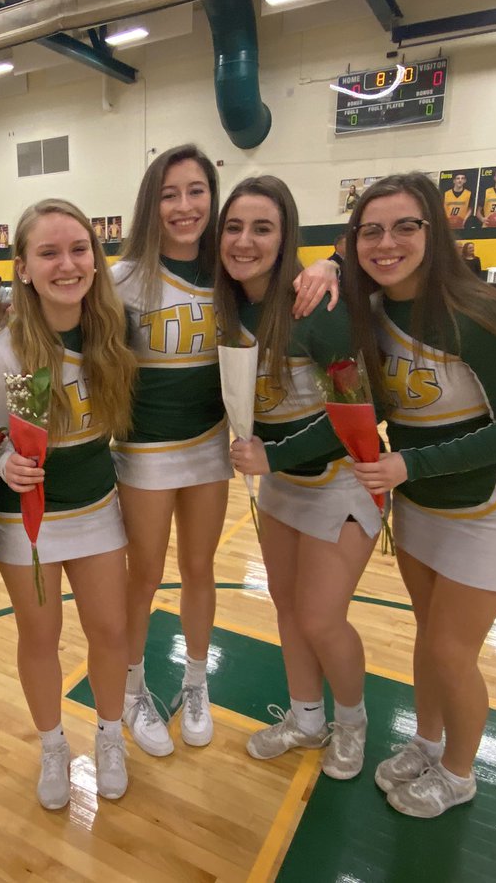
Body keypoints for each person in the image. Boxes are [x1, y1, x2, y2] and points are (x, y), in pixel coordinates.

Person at [113, 143, 339, 758]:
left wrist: (333, 265)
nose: (185, 206)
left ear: (212, 199)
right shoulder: (122, 279)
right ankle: (134, 691)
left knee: (199, 572)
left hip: (211, 446)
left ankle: (194, 683)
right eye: (169, 193)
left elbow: (288, 270)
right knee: (145, 579)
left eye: (196, 192)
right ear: (150, 203)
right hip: (142, 452)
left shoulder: (229, 276)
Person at [347, 173, 496, 819]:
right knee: (429, 635)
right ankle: (427, 742)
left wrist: (410, 462)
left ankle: (460, 773)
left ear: (437, 229)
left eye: (406, 226)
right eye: (371, 230)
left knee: (451, 650)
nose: (387, 243)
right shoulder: (372, 315)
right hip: (420, 505)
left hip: (492, 508)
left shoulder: (486, 316)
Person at [216, 176, 382, 780]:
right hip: (283, 486)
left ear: (286, 237)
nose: (245, 240)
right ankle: (306, 718)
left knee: (320, 617)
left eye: (262, 227)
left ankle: (353, 721)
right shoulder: (228, 308)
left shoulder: (318, 307)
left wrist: (274, 457)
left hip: (342, 480)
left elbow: (359, 412)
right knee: (286, 609)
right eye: (233, 227)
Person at [0, 199, 137, 810]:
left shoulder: (114, 330)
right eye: (48, 252)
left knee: (110, 629)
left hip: (97, 507)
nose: (67, 264)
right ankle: (51, 745)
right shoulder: (2, 354)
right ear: (21, 267)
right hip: (27, 520)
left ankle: (110, 736)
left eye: (78, 250)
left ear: (96, 260)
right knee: (39, 635)